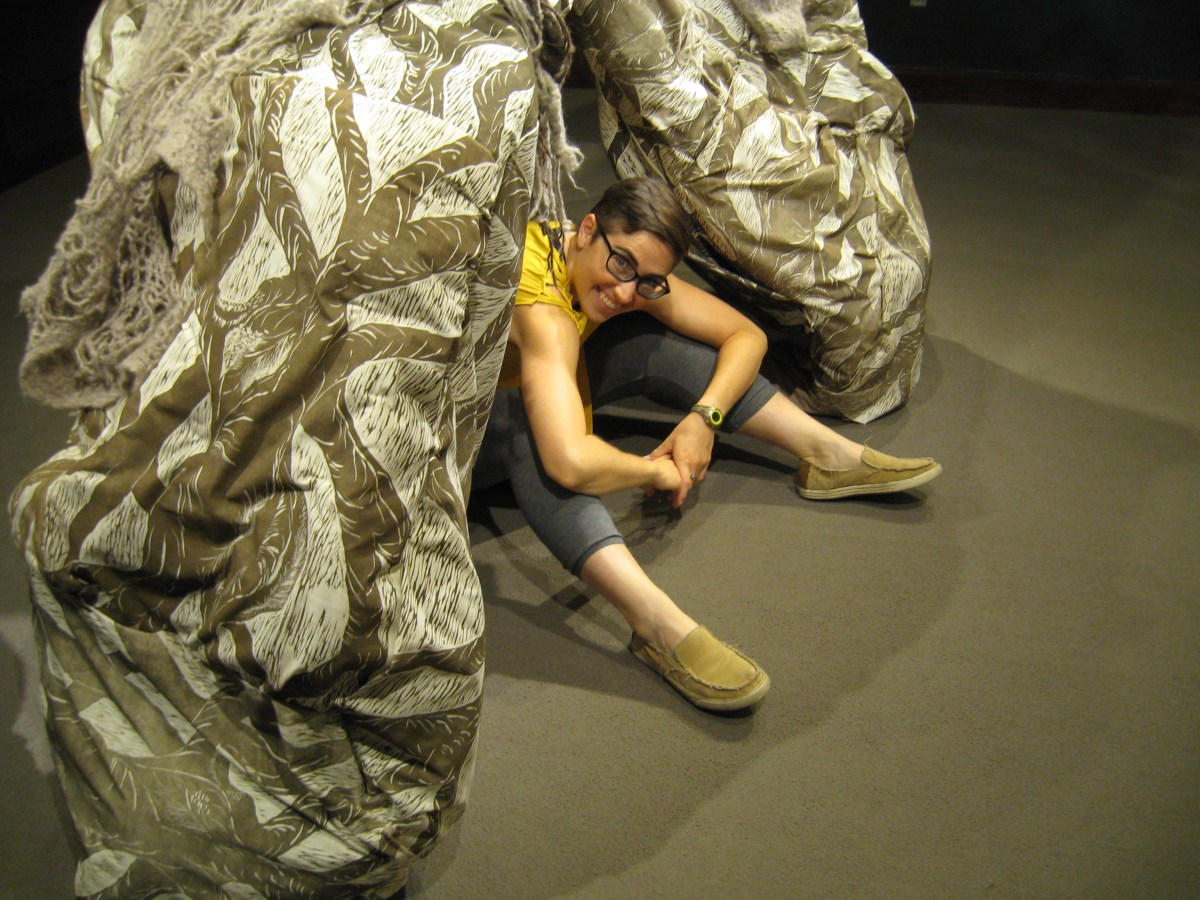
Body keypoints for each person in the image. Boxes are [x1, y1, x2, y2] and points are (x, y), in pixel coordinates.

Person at [474, 177, 941, 713]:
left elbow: (746, 336)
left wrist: (705, 419)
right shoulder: (544, 313)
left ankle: (826, 455)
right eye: (622, 265)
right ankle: (657, 625)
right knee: (535, 430)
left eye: (648, 280)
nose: (626, 290)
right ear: (588, 230)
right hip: (449, 448)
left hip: (525, 377)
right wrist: (657, 472)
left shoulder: (594, 257)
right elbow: (572, 462)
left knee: (642, 335)